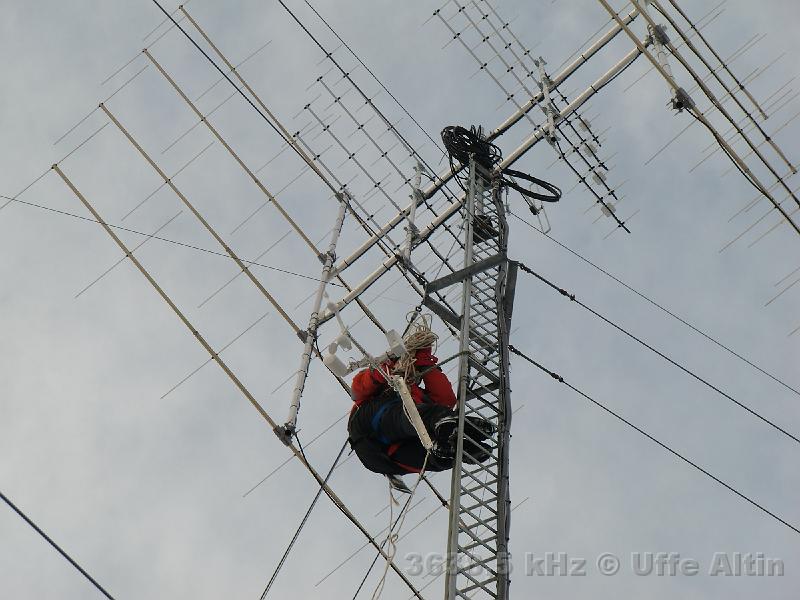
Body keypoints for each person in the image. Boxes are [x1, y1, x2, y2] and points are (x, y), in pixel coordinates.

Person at [347, 346, 493, 479]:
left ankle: (454, 448)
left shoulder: (417, 396)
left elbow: (445, 399)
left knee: (436, 455)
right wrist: (387, 368)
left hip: (388, 454)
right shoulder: (388, 382)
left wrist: (425, 363)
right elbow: (357, 390)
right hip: (368, 424)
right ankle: (447, 428)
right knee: (413, 415)